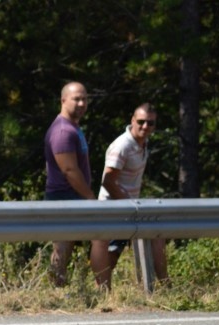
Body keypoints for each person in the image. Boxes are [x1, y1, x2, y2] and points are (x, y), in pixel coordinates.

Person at [89, 104, 168, 289]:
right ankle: (101, 292)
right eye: (141, 122)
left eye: (150, 123)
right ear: (132, 120)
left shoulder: (142, 144)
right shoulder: (122, 145)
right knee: (108, 250)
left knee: (119, 251)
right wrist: (129, 204)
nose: (145, 126)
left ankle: (162, 286)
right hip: (113, 208)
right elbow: (108, 181)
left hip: (128, 208)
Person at [44, 82, 96, 286]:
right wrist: (90, 197)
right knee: (62, 248)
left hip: (70, 196)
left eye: (84, 99)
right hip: (63, 197)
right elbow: (69, 170)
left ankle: (59, 287)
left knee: (65, 248)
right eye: (76, 99)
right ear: (63, 100)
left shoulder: (72, 127)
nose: (81, 103)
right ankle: (56, 290)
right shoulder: (63, 131)